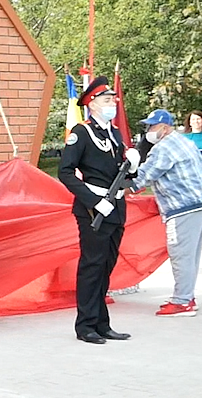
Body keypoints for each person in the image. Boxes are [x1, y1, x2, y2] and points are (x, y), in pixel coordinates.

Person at [57, 76, 141, 344]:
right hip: (94, 210)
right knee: (92, 266)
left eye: (112, 100)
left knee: (106, 266)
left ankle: (102, 323)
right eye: (106, 100)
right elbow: (65, 172)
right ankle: (85, 326)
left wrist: (135, 165)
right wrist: (93, 201)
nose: (112, 104)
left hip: (115, 207)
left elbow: (120, 173)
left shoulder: (113, 133)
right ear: (91, 104)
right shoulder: (81, 133)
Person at [131, 109, 202, 317]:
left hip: (184, 207)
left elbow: (142, 178)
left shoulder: (163, 149)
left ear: (164, 127)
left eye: (152, 126)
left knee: (181, 255)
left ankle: (182, 301)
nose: (148, 131)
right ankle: (187, 296)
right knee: (192, 255)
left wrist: (115, 188)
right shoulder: (183, 140)